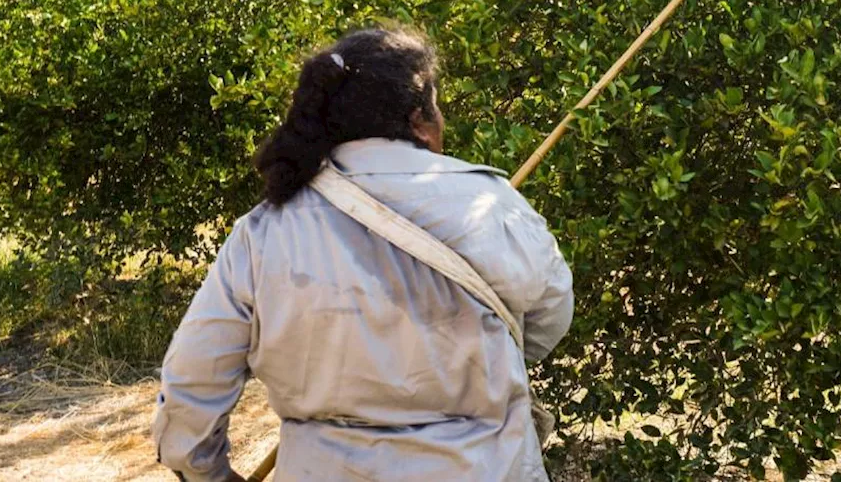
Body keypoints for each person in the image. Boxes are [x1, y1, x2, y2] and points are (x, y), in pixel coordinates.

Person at [152, 25, 574, 481]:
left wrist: (208, 474)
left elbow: (192, 386)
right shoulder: (493, 205)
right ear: (419, 120)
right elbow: (547, 323)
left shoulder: (265, 230)